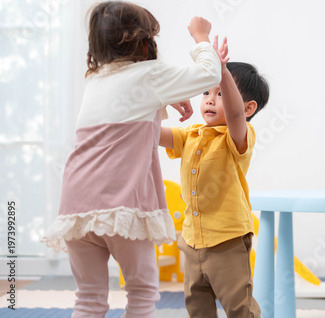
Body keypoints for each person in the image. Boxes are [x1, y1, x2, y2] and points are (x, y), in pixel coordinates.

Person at [41, 2, 222, 317]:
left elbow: (128, 110)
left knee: (88, 299)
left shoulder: (96, 80)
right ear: (143, 42)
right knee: (141, 295)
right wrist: (201, 37)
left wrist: (165, 96)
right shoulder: (150, 74)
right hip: (122, 206)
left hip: (76, 208)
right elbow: (209, 72)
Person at [159, 36, 270, 318]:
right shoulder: (190, 135)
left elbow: (233, 115)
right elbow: (148, 132)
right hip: (192, 241)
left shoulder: (238, 137)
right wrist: (162, 97)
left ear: (248, 109)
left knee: (239, 307)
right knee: (196, 307)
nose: (209, 100)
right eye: (206, 93)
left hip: (227, 242)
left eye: (220, 93)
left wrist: (220, 71)